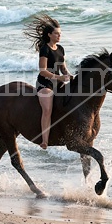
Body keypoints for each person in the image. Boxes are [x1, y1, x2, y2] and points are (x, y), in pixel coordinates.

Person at [23, 14, 72, 149]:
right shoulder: (45, 48)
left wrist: (69, 75)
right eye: (56, 34)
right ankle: (45, 140)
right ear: (50, 35)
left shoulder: (61, 49)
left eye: (60, 34)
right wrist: (59, 78)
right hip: (46, 83)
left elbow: (63, 68)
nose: (59, 36)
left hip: (59, 83)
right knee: (47, 109)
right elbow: (42, 70)